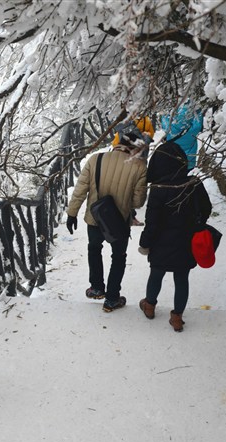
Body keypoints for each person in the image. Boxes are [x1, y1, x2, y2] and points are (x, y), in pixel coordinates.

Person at [66, 129, 148, 312]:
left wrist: (72, 214)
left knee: (94, 249)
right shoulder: (140, 167)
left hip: (95, 218)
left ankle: (96, 287)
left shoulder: (96, 159)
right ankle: (112, 298)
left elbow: (80, 189)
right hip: (119, 222)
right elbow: (138, 202)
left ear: (118, 143)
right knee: (118, 257)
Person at [137, 141, 212, 332]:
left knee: (156, 274)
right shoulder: (193, 184)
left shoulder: (158, 188)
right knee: (182, 278)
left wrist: (145, 243)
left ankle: (149, 305)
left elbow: (152, 221)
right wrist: (196, 224)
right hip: (186, 241)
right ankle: (177, 317)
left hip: (160, 243)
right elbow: (206, 208)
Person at [160, 101, 204, 171]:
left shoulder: (168, 125)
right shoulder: (193, 129)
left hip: (172, 159)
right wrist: (198, 110)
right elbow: (198, 125)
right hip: (189, 161)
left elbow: (164, 121)